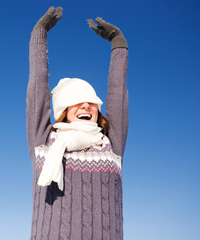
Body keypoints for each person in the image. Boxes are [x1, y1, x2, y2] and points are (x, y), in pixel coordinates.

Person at [26, 6, 129, 240]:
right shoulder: (45, 141)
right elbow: (37, 92)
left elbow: (117, 95)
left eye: (91, 103)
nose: (86, 107)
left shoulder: (110, 145)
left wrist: (118, 44)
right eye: (76, 102)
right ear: (63, 111)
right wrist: (39, 34)